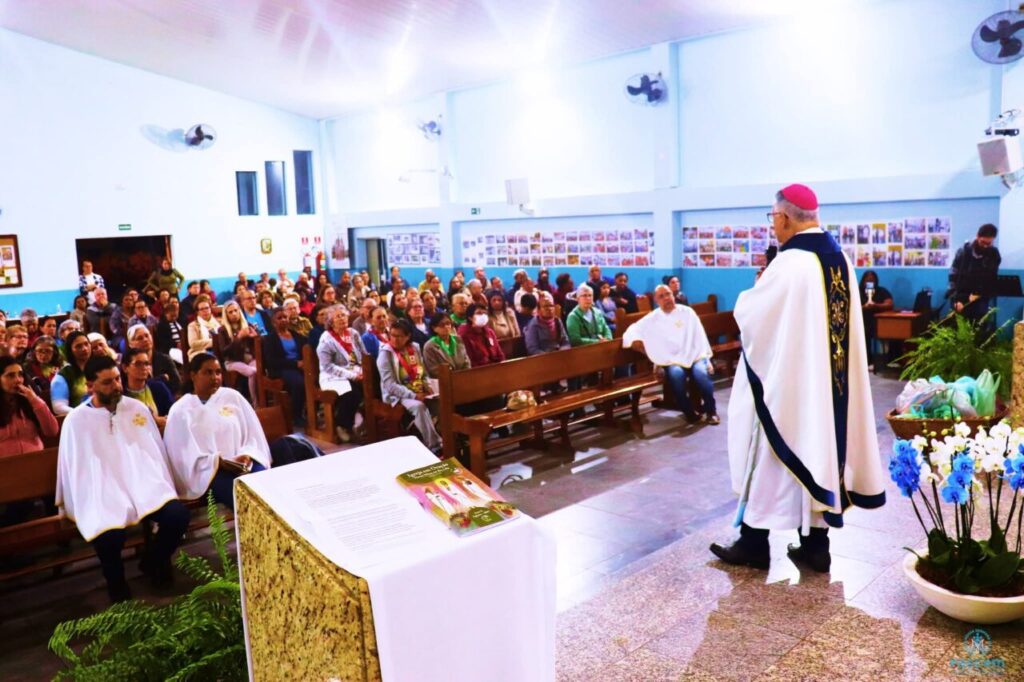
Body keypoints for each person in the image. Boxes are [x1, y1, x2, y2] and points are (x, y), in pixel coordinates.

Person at [710, 183, 886, 573]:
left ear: (785, 217)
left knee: (773, 447)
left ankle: (754, 543)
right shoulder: (840, 258)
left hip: (792, 385)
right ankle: (815, 547)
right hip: (827, 389)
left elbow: (752, 315)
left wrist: (748, 295)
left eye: (773, 219)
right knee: (821, 450)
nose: (773, 227)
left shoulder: (790, 264)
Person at [56, 355, 189, 602]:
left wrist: (159, 481)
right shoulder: (76, 420)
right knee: (109, 534)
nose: (116, 386)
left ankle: (153, 561)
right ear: (90, 385)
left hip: (144, 485)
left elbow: (154, 451)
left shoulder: (136, 408)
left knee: (177, 516)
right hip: (103, 490)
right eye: (107, 382)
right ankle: (117, 587)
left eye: (117, 379)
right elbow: (73, 467)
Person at [164, 353, 271, 511]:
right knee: (246, 503)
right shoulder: (180, 410)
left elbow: (252, 435)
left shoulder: (232, 397)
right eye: (208, 372)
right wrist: (216, 462)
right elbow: (182, 456)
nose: (215, 377)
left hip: (245, 463)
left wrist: (247, 453)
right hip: (210, 473)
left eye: (218, 372)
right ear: (193, 375)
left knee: (266, 489)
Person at [624, 285, 717, 424]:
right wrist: (636, 341)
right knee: (676, 376)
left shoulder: (687, 312)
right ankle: (689, 412)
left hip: (695, 355)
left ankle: (711, 411)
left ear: (673, 295)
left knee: (701, 374)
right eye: (661, 296)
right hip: (672, 359)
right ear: (656, 300)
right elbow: (632, 330)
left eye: (668, 294)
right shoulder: (653, 317)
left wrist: (707, 359)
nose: (666, 298)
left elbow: (700, 336)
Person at [378, 319, 441, 452]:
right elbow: (390, 385)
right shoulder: (386, 353)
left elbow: (423, 372)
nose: (394, 339)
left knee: (441, 401)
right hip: (398, 394)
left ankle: (447, 436)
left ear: (408, 336)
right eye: (392, 335)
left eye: (399, 336)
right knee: (419, 407)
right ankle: (434, 445)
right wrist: (413, 395)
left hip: (418, 389)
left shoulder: (415, 348)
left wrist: (426, 384)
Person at [316, 305, 367, 443]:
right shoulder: (326, 339)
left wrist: (363, 369)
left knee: (372, 384)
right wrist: (352, 375)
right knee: (353, 393)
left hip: (355, 370)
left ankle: (362, 422)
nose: (342, 318)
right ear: (330, 321)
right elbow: (328, 367)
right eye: (338, 316)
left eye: (344, 315)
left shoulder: (353, 333)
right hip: (333, 376)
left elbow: (363, 354)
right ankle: (343, 424)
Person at [0, 355, 59, 456]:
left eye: (20, 375)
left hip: (35, 460)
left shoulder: (30, 401)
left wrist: (35, 401)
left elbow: (52, 431)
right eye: (11, 375)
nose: (18, 380)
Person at [947, 223, 1001, 325]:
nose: (985, 246)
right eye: (983, 242)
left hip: (980, 297)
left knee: (978, 327)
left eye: (988, 244)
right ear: (977, 236)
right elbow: (953, 274)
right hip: (960, 296)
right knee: (959, 328)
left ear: (993, 240)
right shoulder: (963, 251)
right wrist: (955, 298)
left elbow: (992, 277)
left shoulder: (994, 254)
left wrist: (979, 293)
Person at [263, 308, 307, 425]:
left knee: (314, 378)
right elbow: (272, 361)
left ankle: (311, 411)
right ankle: (295, 415)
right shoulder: (270, 339)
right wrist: (295, 364)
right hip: (281, 369)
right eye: (279, 318)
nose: (283, 320)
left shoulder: (296, 335)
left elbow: (306, 347)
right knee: (299, 383)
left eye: (285, 317)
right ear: (273, 322)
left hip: (299, 366)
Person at [216, 301, 259, 401]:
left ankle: (260, 402)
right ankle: (255, 403)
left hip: (249, 358)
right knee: (252, 372)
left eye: (236, 310)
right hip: (232, 361)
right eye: (230, 312)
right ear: (226, 315)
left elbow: (257, 344)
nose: (234, 314)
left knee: (258, 370)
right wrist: (238, 338)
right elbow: (224, 352)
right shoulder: (222, 330)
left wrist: (256, 337)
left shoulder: (248, 325)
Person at [121, 348, 174, 426]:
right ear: (125, 368)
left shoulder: (158, 388)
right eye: (138, 364)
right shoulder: (121, 395)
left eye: (146, 364)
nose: (144, 368)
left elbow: (173, 414)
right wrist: (153, 421)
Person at [51, 331, 92, 415]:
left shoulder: (98, 367)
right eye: (78, 346)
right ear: (70, 350)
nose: (84, 348)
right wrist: (83, 413)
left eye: (86, 344)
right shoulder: (63, 376)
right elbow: (58, 407)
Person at [859, 270, 893, 365]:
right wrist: (864, 307)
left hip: (880, 323)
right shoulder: (857, 291)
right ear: (863, 280)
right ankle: (867, 361)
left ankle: (892, 360)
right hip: (862, 323)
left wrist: (876, 306)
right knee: (864, 333)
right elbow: (851, 306)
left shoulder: (881, 291)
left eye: (872, 280)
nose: (870, 282)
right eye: (868, 280)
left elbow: (889, 303)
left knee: (896, 331)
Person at [24, 335, 63, 406]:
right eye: (39, 351)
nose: (43, 355)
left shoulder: (61, 367)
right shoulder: (27, 368)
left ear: (54, 352)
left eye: (48, 351)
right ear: (34, 352)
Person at [187, 295, 221, 361]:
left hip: (220, 350)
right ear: (197, 312)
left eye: (207, 308)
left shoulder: (219, 322)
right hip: (201, 353)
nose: (205, 311)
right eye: (202, 309)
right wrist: (214, 341)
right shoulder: (193, 325)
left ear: (210, 309)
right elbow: (193, 344)